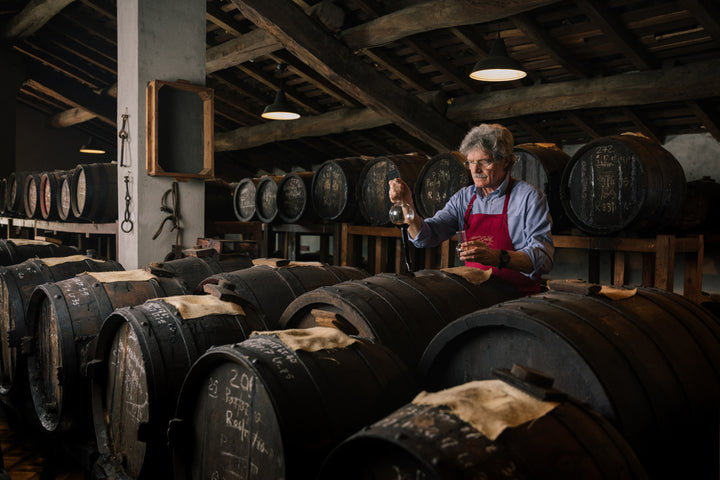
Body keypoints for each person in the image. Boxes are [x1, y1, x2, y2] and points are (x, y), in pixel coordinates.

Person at [388, 123, 553, 295]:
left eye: (484, 162)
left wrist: (497, 257)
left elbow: (544, 259)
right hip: (475, 297)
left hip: (517, 299)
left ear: (506, 161)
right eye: (471, 162)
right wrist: (407, 205)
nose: (475, 170)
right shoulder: (464, 198)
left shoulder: (528, 198)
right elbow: (426, 237)